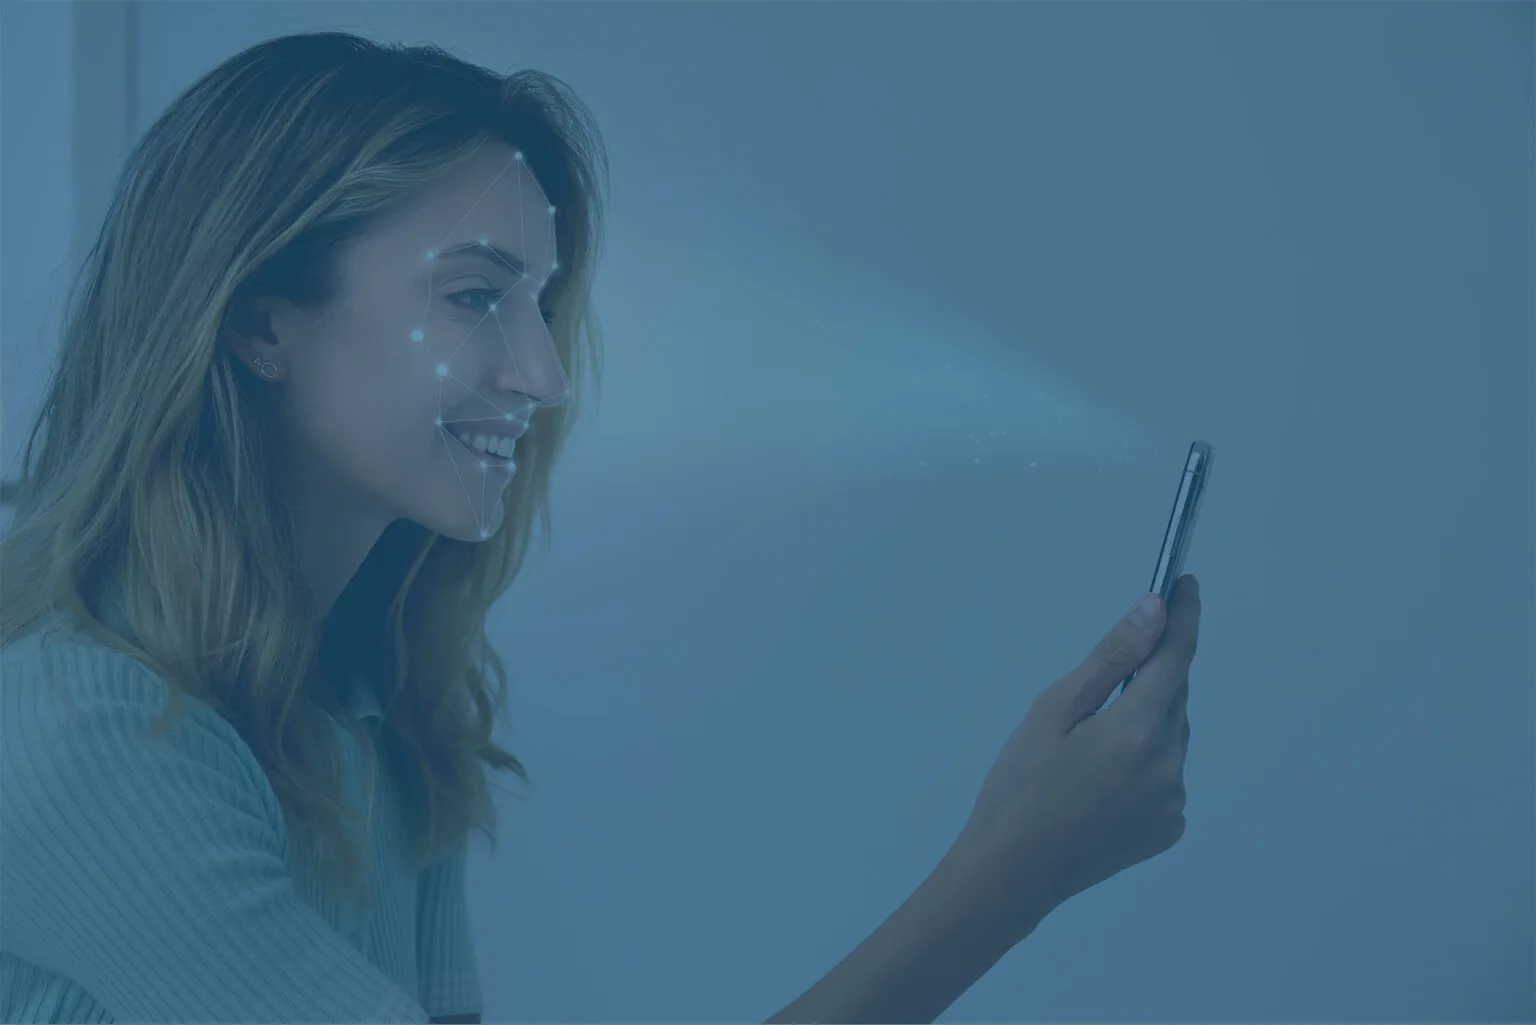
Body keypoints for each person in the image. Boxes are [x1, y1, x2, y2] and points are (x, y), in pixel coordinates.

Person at [0, 31, 1201, 1025]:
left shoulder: (368, 713)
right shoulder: (97, 730)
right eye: (475, 296)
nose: (540, 371)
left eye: (542, 303)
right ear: (261, 322)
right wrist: (1009, 873)